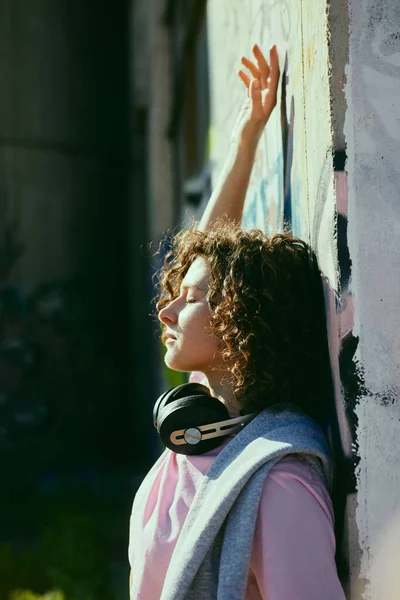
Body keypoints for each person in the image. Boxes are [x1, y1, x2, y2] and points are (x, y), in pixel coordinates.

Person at [128, 44, 346, 599]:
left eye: (191, 299)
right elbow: (209, 242)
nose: (167, 308)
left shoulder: (278, 485)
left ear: (239, 324)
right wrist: (248, 135)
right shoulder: (202, 427)